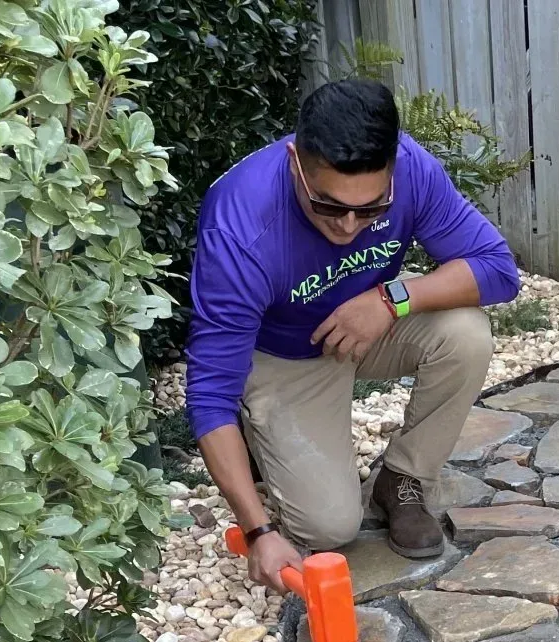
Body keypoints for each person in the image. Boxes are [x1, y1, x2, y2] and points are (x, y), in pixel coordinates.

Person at [185, 78, 520, 584]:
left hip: (367, 323)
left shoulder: (413, 169)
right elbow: (209, 394)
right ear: (296, 161)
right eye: (327, 205)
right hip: (283, 354)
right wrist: (256, 530)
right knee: (329, 528)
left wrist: (391, 299)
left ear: (393, 165)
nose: (347, 225)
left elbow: (498, 270)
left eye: (371, 209)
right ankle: (261, 434)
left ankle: (403, 479)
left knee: (465, 333)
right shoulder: (238, 227)